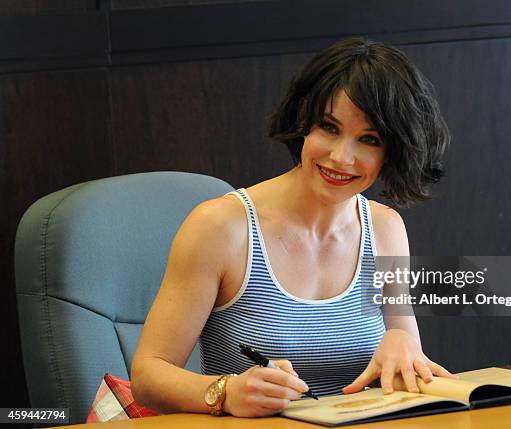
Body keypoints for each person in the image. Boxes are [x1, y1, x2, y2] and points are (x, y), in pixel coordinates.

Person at [131, 36, 454, 418]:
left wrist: (401, 343)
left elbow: (407, 370)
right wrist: (227, 391)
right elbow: (147, 375)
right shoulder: (219, 227)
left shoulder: (386, 230)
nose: (341, 157)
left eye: (369, 139)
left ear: (393, 152)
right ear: (303, 121)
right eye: (328, 127)